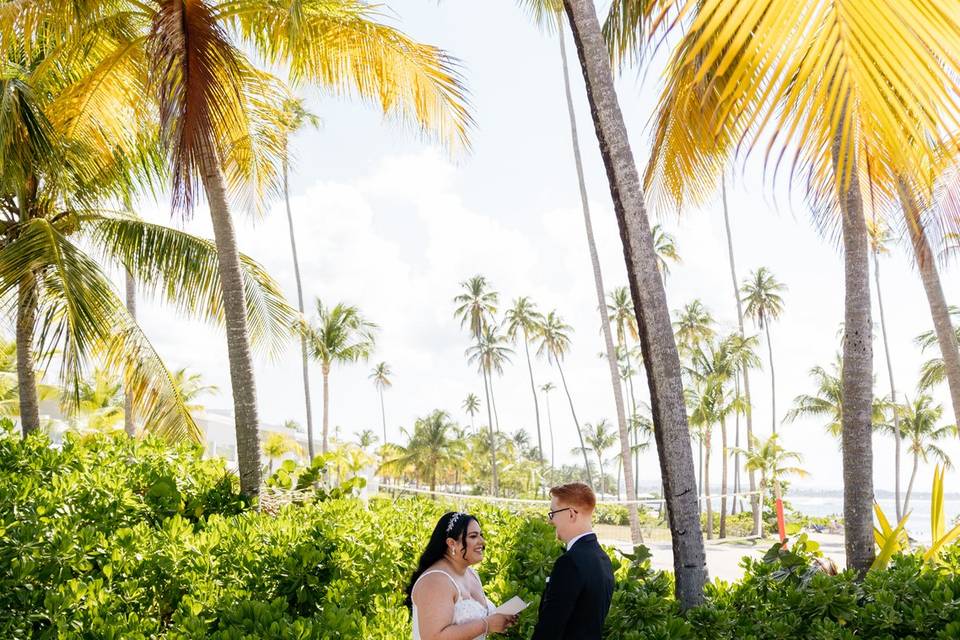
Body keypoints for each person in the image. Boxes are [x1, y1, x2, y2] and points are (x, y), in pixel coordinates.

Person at [406, 511, 517, 640]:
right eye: (473, 536)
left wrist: (500, 621)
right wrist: (487, 624)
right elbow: (434, 637)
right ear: (452, 543)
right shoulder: (435, 581)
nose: (482, 541)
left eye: (481, 535)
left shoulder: (471, 574)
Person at [531, 482, 614, 640]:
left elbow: (550, 629)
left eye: (553, 513)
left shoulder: (570, 562)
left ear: (571, 514)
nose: (551, 520)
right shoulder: (603, 559)